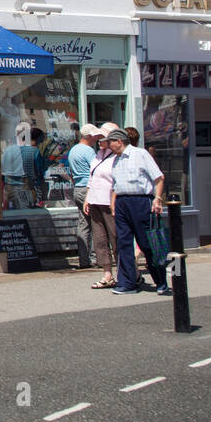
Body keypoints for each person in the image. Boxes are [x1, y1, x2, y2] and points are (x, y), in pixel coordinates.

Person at [106, 128, 169, 295]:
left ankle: (161, 281)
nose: (108, 147)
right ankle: (127, 283)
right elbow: (115, 185)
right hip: (122, 203)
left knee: (148, 243)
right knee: (124, 244)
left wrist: (157, 198)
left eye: (110, 143)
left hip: (141, 201)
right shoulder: (115, 160)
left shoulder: (140, 154)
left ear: (119, 141)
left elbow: (158, 177)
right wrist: (113, 204)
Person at [83, 125, 119, 289]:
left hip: (109, 202)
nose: (99, 141)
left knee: (116, 237)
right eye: (98, 138)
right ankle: (107, 274)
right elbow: (92, 177)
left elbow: (117, 181)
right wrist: (87, 198)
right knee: (100, 239)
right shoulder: (98, 155)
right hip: (95, 200)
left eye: (102, 138)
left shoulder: (117, 157)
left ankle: (126, 272)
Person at [67, 124, 102, 270]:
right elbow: (97, 169)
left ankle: (84, 258)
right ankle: (97, 257)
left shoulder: (73, 150)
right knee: (96, 223)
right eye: (94, 136)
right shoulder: (88, 151)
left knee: (83, 223)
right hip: (89, 189)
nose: (96, 138)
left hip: (78, 188)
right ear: (88, 136)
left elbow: (71, 172)